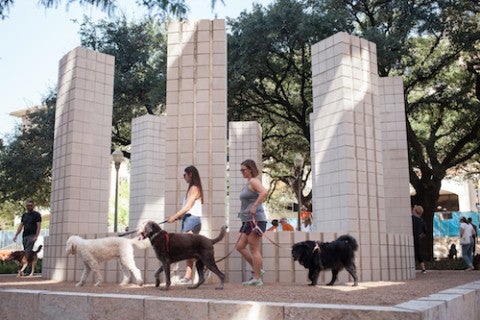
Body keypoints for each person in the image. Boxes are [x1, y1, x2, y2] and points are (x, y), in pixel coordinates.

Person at [167, 165, 204, 284]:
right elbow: (189, 208)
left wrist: (175, 215)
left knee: (188, 249)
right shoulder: (192, 188)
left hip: (192, 220)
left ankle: (204, 266)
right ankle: (188, 277)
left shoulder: (194, 188)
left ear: (190, 174)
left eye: (184, 175)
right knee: (188, 250)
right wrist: (180, 217)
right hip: (189, 219)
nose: (184, 177)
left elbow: (188, 207)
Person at [236, 159, 268, 286]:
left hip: (256, 220)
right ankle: (258, 270)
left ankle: (257, 278)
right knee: (240, 246)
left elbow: (264, 192)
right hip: (247, 221)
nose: (242, 172)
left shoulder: (254, 181)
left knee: (254, 249)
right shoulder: (248, 183)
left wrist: (254, 206)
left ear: (250, 169)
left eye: (243, 170)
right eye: (241, 170)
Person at [411, 205, 427, 274]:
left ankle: (411, 266)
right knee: (418, 253)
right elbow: (425, 232)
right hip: (417, 238)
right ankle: (423, 268)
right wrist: (420, 236)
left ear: (415, 211)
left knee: (411, 252)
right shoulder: (421, 221)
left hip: (411, 237)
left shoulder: (411, 218)